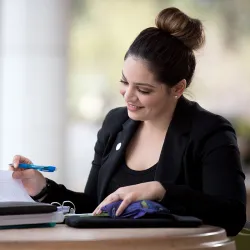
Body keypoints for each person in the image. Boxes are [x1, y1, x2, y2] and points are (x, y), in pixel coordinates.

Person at [10, 7, 246, 236]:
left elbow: (232, 216)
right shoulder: (115, 123)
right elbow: (94, 207)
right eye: (125, 82)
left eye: (143, 89)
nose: (128, 95)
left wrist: (160, 191)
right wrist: (42, 188)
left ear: (178, 88)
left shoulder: (210, 133)